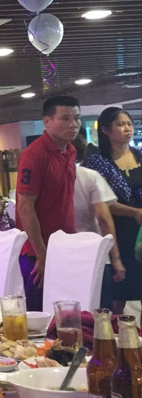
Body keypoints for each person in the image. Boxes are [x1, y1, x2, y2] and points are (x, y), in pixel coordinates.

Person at [15, 95, 81, 311]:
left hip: (64, 245)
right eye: (65, 118)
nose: (73, 124)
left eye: (77, 118)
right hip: (37, 251)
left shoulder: (70, 151)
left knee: (66, 312)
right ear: (46, 121)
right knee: (39, 315)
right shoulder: (34, 155)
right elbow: (25, 206)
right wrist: (42, 254)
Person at [83, 107, 142, 314]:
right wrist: (134, 212)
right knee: (119, 292)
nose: (127, 128)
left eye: (129, 124)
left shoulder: (139, 155)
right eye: (120, 124)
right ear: (106, 130)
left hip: (140, 230)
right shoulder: (97, 161)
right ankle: (117, 330)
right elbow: (101, 202)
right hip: (116, 230)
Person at [72, 128, 125, 307]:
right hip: (93, 252)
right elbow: (104, 219)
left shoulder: (47, 179)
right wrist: (116, 258)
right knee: (100, 311)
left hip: (61, 254)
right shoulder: (89, 176)